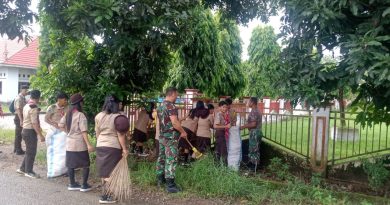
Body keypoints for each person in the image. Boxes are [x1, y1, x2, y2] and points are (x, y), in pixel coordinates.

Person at [95, 95, 129, 204]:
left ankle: (104, 195)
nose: (120, 105)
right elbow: (121, 135)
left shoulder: (99, 116)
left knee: (104, 171)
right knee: (111, 172)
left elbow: (97, 133)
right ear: (116, 104)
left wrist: (100, 142)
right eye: (119, 103)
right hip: (113, 147)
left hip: (100, 145)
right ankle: (110, 196)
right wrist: (124, 149)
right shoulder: (117, 117)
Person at [59, 93, 94, 192]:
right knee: (85, 164)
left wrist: (68, 133)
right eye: (82, 101)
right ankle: (84, 185)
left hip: (70, 144)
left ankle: (72, 184)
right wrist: (88, 144)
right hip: (79, 144)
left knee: (70, 164)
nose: (83, 103)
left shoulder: (68, 113)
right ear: (79, 103)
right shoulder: (80, 115)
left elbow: (60, 125)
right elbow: (83, 131)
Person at [156, 87, 187, 193]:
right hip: (170, 138)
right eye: (176, 95)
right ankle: (170, 186)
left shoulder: (160, 106)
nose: (177, 97)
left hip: (162, 137)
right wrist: (183, 131)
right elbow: (174, 123)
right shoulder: (171, 106)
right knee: (171, 159)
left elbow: (167, 121)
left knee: (161, 158)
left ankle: (160, 181)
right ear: (172, 94)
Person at [16, 90, 45, 178]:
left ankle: (22, 168)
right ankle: (29, 171)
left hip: (25, 130)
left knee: (29, 151)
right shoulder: (33, 107)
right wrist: (40, 135)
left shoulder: (26, 105)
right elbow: (34, 123)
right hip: (30, 132)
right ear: (38, 97)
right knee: (32, 152)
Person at [45, 92, 69, 178]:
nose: (66, 101)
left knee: (63, 153)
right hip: (54, 133)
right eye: (64, 100)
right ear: (59, 99)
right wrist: (54, 124)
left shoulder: (67, 108)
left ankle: (63, 170)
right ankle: (54, 171)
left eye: (66, 100)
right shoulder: (52, 107)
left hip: (63, 133)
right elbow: (46, 119)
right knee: (53, 152)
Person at [240, 97, 262, 172]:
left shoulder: (254, 111)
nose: (247, 103)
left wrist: (243, 126)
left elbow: (253, 124)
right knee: (254, 149)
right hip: (256, 132)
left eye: (248, 101)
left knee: (254, 150)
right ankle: (253, 164)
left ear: (252, 102)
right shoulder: (255, 110)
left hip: (254, 132)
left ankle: (254, 167)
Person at [13, 85, 29, 155]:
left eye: (27, 90)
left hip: (21, 117)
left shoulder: (23, 98)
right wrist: (21, 120)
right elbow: (18, 110)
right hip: (19, 117)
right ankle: (18, 150)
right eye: (25, 90)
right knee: (19, 134)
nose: (26, 92)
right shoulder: (19, 98)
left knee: (18, 134)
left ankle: (16, 148)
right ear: (21, 90)